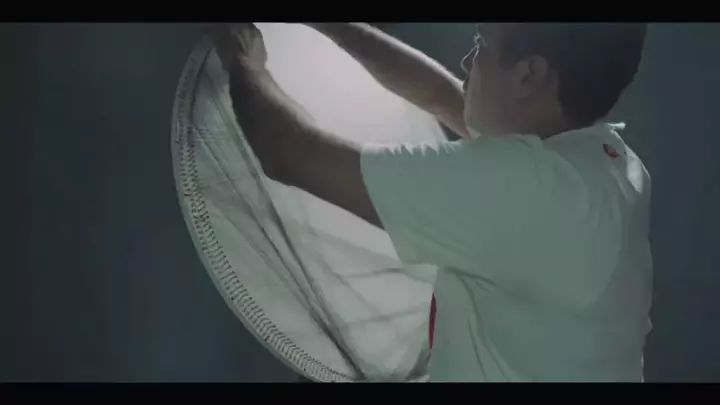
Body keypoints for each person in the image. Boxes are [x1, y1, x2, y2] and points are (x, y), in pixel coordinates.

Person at [213, 22, 653, 382]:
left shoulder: (525, 192)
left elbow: (287, 152)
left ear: (527, 76)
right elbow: (441, 96)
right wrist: (337, 27)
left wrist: (243, 60)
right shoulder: (603, 163)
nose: (467, 62)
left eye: (481, 44)